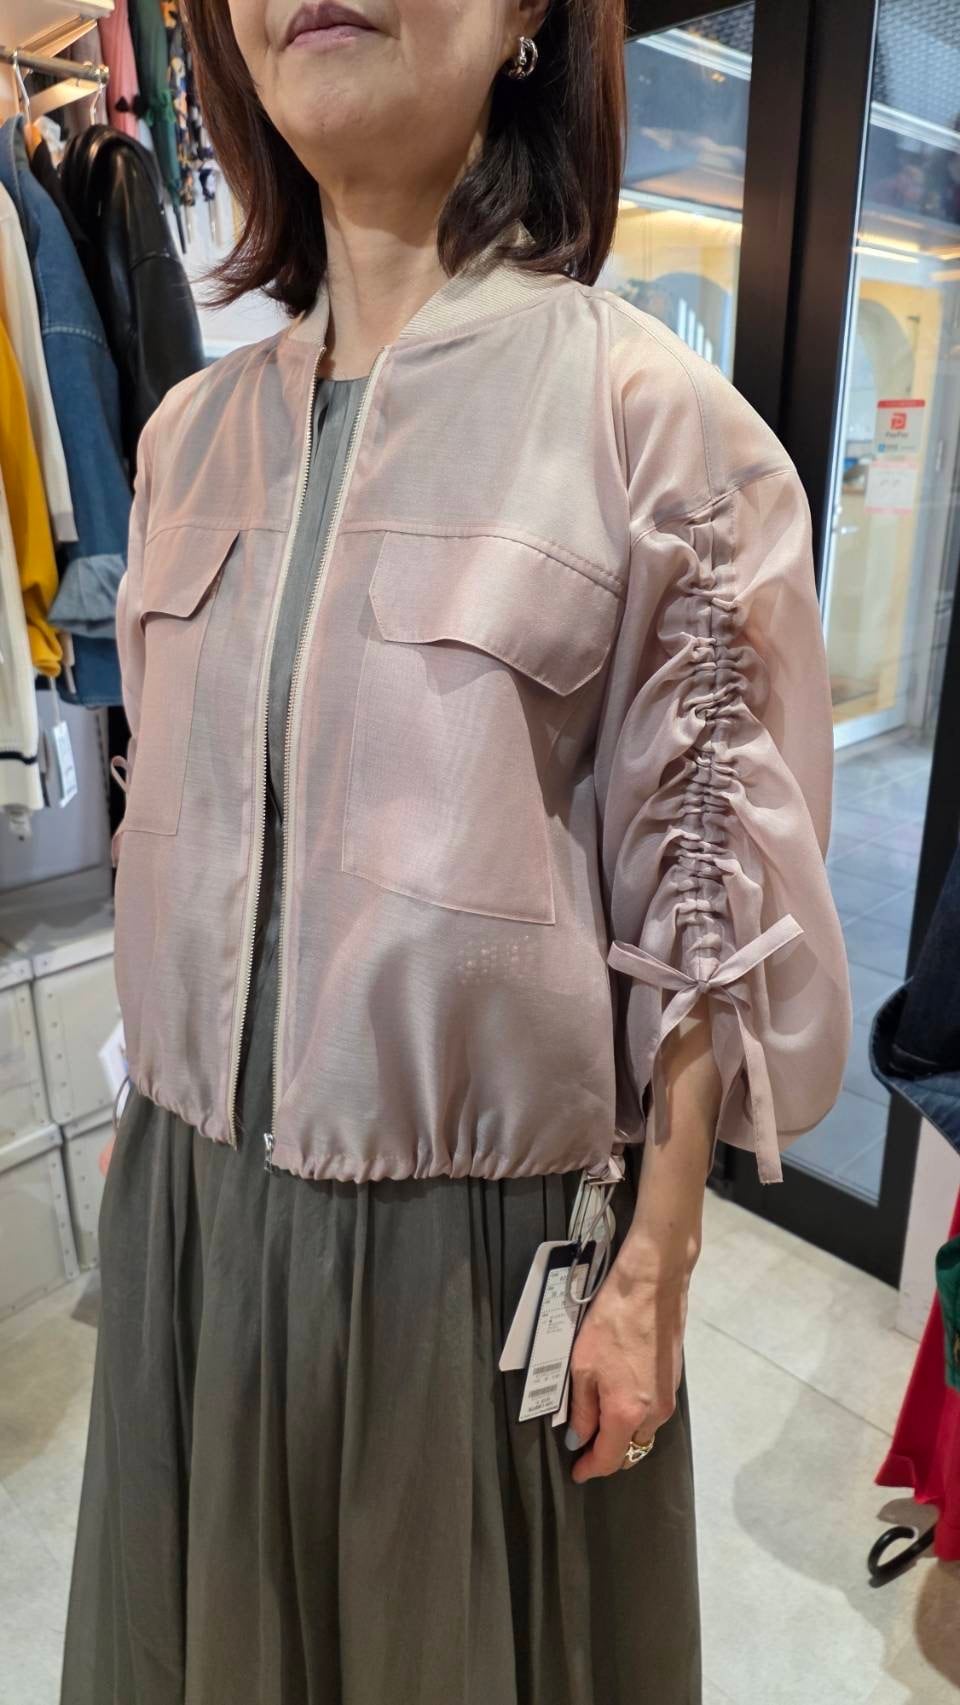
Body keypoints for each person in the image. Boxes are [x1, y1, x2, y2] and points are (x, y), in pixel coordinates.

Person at [60, 1, 851, 1701]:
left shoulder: (654, 433)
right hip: (193, 1219)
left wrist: (655, 1267)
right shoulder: (188, 440)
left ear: (528, 23)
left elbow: (699, 915)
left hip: (464, 1272)